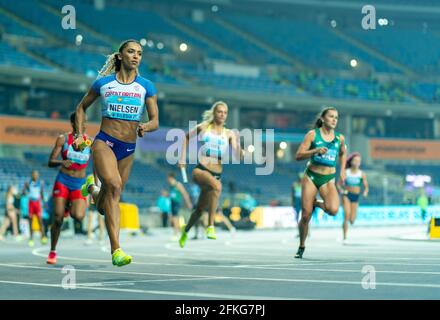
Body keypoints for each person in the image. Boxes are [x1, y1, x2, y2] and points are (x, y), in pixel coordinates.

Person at [74, 39, 159, 266]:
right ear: (120, 56)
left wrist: (146, 127)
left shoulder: (146, 86)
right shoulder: (103, 83)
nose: (136, 56)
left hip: (128, 148)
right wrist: (78, 135)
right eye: (131, 52)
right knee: (115, 186)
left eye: (139, 53)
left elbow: (155, 120)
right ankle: (116, 250)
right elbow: (81, 108)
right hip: (104, 142)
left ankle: (92, 188)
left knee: (105, 204)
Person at [178, 101, 244, 248]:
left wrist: (241, 151)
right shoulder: (204, 127)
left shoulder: (229, 134)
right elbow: (186, 137)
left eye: (225, 112)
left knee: (200, 209)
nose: (222, 114)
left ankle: (185, 231)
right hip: (200, 169)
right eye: (220, 111)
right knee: (217, 187)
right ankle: (210, 226)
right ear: (214, 113)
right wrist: (182, 158)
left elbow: (238, 155)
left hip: (216, 173)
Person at [294, 107, 347, 258]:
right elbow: (298, 155)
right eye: (331, 117)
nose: (334, 120)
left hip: (328, 178)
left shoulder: (339, 138)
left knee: (333, 210)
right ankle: (302, 245)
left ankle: (315, 202)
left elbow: (343, 153)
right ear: (323, 119)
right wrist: (314, 151)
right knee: (306, 215)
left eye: (336, 117)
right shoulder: (312, 135)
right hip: (311, 176)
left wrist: (342, 170)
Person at [46, 112, 92, 264]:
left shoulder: (90, 142)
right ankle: (53, 250)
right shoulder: (63, 139)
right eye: (80, 121)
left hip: (79, 183)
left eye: (85, 121)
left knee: (78, 216)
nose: (84, 124)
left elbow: (100, 162)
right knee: (58, 218)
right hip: (63, 181)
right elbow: (50, 161)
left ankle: (68, 205)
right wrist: (61, 162)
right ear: (73, 123)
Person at [339, 152, 368, 243]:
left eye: (359, 161)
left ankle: (349, 224)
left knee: (352, 220)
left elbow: (366, 186)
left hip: (355, 196)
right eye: (355, 160)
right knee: (346, 215)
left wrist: (365, 191)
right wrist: (341, 191)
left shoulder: (361, 174)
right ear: (351, 162)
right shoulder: (346, 172)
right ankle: (344, 237)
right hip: (346, 195)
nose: (357, 162)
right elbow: (338, 184)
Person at [23, 170, 47, 247]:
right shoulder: (28, 183)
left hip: (37, 203)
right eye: (34, 174)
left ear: (38, 175)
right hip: (31, 203)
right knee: (31, 221)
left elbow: (42, 194)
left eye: (36, 175)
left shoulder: (40, 183)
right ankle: (31, 239)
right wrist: (24, 187)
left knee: (40, 221)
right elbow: (24, 192)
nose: (35, 176)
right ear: (31, 175)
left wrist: (44, 203)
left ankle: (43, 237)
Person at [167, 173, 193, 238]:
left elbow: (184, 193)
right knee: (173, 218)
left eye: (168, 179)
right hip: (172, 202)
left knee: (175, 218)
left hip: (177, 202)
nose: (167, 180)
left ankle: (176, 233)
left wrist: (188, 203)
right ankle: (178, 232)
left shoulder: (178, 184)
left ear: (171, 178)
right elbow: (172, 194)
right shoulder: (171, 186)